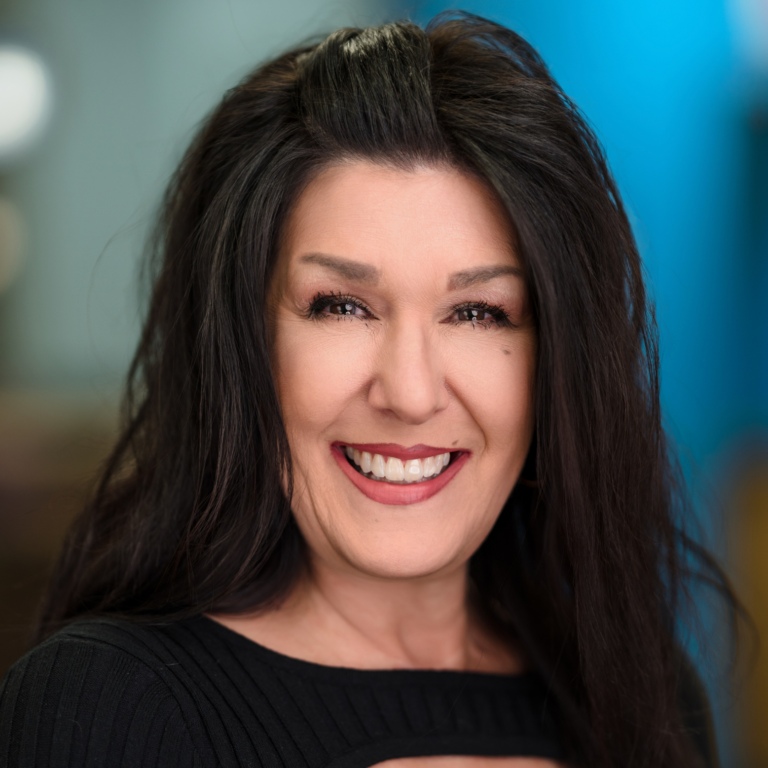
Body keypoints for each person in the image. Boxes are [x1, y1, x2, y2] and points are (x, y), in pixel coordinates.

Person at [0, 12, 735, 768]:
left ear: (554, 362)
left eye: (478, 312)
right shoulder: (109, 709)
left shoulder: (641, 695)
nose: (410, 392)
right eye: (341, 306)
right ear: (243, 345)